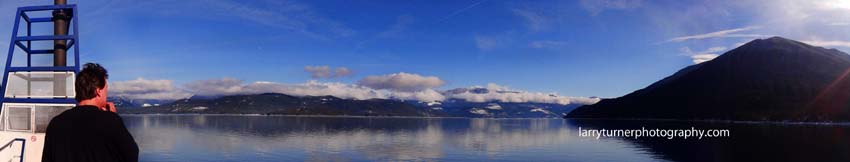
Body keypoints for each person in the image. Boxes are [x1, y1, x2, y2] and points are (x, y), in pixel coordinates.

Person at [42, 63, 139, 162]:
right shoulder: (111, 121)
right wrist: (113, 116)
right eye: (106, 89)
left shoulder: (55, 123)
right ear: (98, 91)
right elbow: (132, 156)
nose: (107, 94)